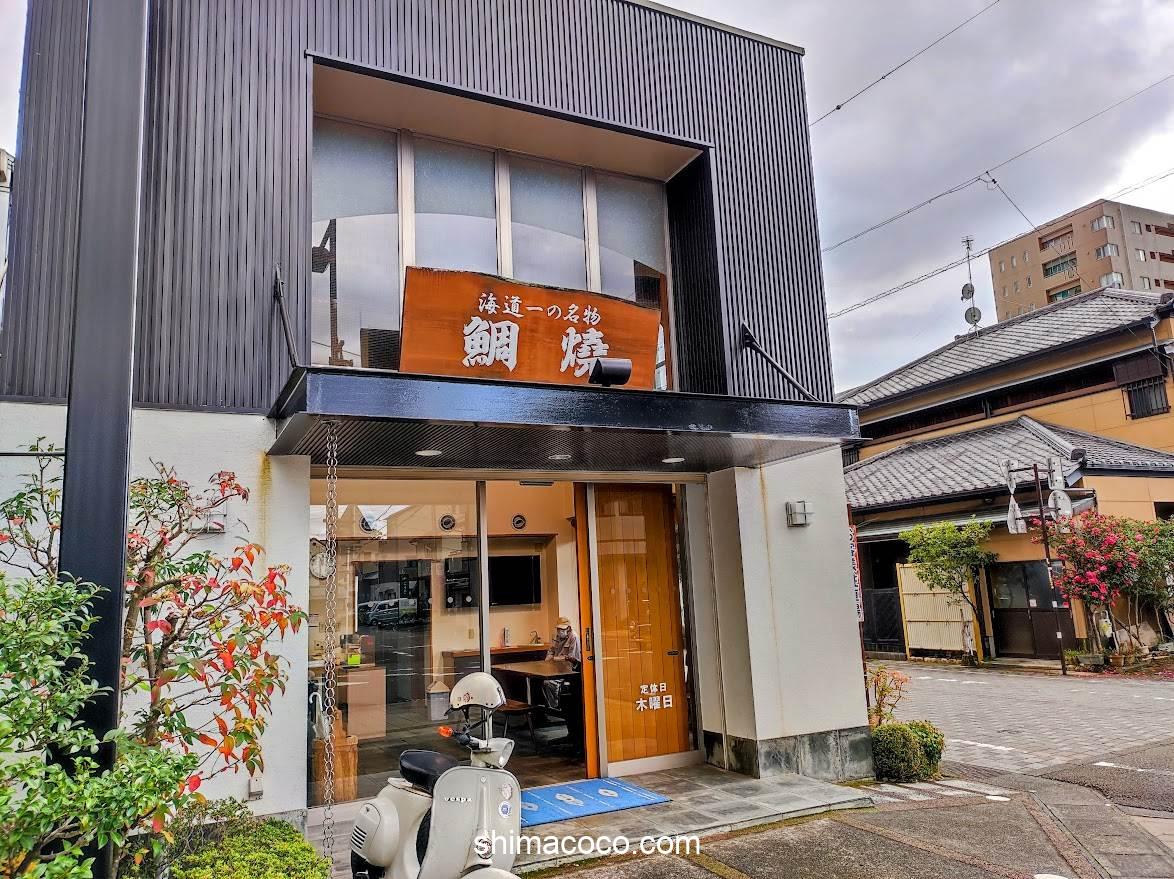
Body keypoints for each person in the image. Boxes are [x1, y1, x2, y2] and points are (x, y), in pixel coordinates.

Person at [543, 617, 584, 755]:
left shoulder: (574, 638)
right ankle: (550, 710)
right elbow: (551, 650)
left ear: (568, 629)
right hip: (555, 669)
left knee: (550, 684)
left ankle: (556, 707)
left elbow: (573, 659)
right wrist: (548, 660)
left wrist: (557, 659)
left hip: (569, 673)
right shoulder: (556, 637)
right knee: (542, 683)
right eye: (558, 629)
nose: (560, 631)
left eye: (562, 629)